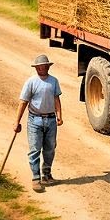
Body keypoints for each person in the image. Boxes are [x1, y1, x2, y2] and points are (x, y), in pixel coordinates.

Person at [14, 54, 64, 192]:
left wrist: (59, 116)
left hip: (51, 119)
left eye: (44, 66)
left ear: (48, 66)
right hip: (34, 120)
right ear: (36, 68)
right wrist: (17, 122)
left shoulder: (53, 81)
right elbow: (23, 102)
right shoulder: (31, 82)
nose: (41, 68)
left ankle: (47, 175)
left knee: (50, 148)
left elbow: (56, 99)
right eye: (39, 67)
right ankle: (36, 178)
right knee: (35, 149)